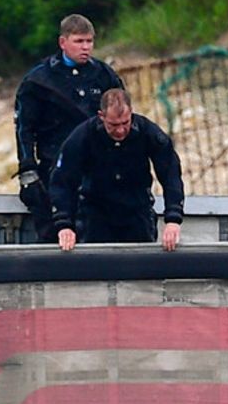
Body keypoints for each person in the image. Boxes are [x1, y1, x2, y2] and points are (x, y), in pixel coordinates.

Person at [13, 14, 124, 242]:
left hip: (98, 169)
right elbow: (24, 128)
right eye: (79, 41)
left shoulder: (104, 77)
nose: (85, 48)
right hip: (54, 168)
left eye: (89, 42)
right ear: (63, 43)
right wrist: (28, 171)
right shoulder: (39, 81)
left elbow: (122, 120)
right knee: (54, 234)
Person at [49, 89, 185, 251]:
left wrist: (173, 219)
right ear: (101, 116)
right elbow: (62, 180)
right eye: (113, 125)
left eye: (125, 123)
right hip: (95, 214)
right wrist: (64, 224)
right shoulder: (82, 136)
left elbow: (170, 174)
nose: (120, 131)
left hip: (137, 212)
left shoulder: (148, 133)